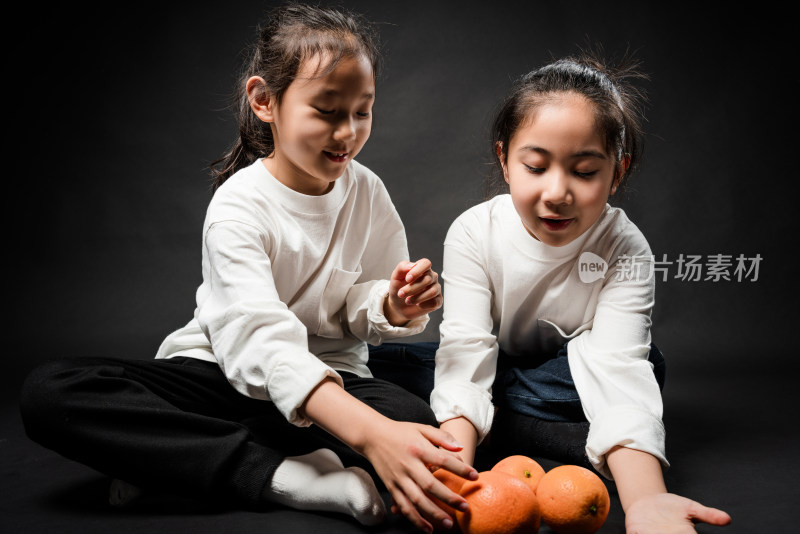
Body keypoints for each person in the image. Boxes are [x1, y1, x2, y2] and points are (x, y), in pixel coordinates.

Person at [19, 4, 476, 533]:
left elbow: (354, 303)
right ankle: (287, 475)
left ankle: (173, 463)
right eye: (327, 110)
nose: (347, 132)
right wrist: (370, 436)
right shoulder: (239, 204)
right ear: (265, 101)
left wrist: (390, 304)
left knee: (412, 421)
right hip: (218, 377)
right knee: (54, 391)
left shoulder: (367, 191)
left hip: (333, 383)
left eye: (362, 111)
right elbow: (259, 340)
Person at [376, 51, 732, 532]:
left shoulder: (625, 248)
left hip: (567, 375)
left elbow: (617, 368)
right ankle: (556, 434)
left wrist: (646, 500)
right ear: (505, 161)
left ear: (617, 172)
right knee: (379, 366)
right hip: (497, 363)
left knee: (644, 364)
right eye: (536, 167)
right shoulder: (474, 232)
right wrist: (452, 471)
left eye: (585, 172)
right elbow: (466, 350)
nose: (558, 192)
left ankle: (503, 424)